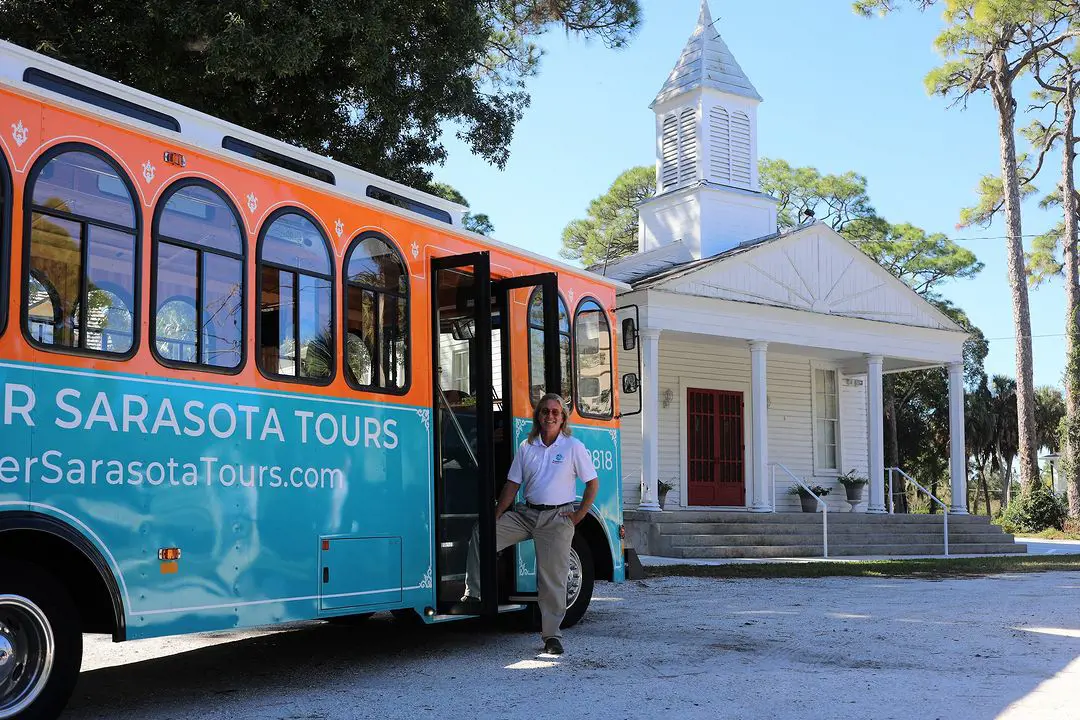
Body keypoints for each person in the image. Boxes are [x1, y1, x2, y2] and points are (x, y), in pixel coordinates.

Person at [462, 393, 598, 656]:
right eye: (545, 411)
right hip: (526, 513)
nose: (549, 416)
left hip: (556, 519)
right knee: (483, 534)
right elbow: (512, 485)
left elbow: (592, 483)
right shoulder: (527, 446)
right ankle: (474, 595)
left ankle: (551, 636)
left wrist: (579, 515)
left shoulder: (573, 447)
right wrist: (496, 515)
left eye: (555, 412)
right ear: (538, 416)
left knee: (552, 580)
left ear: (562, 418)